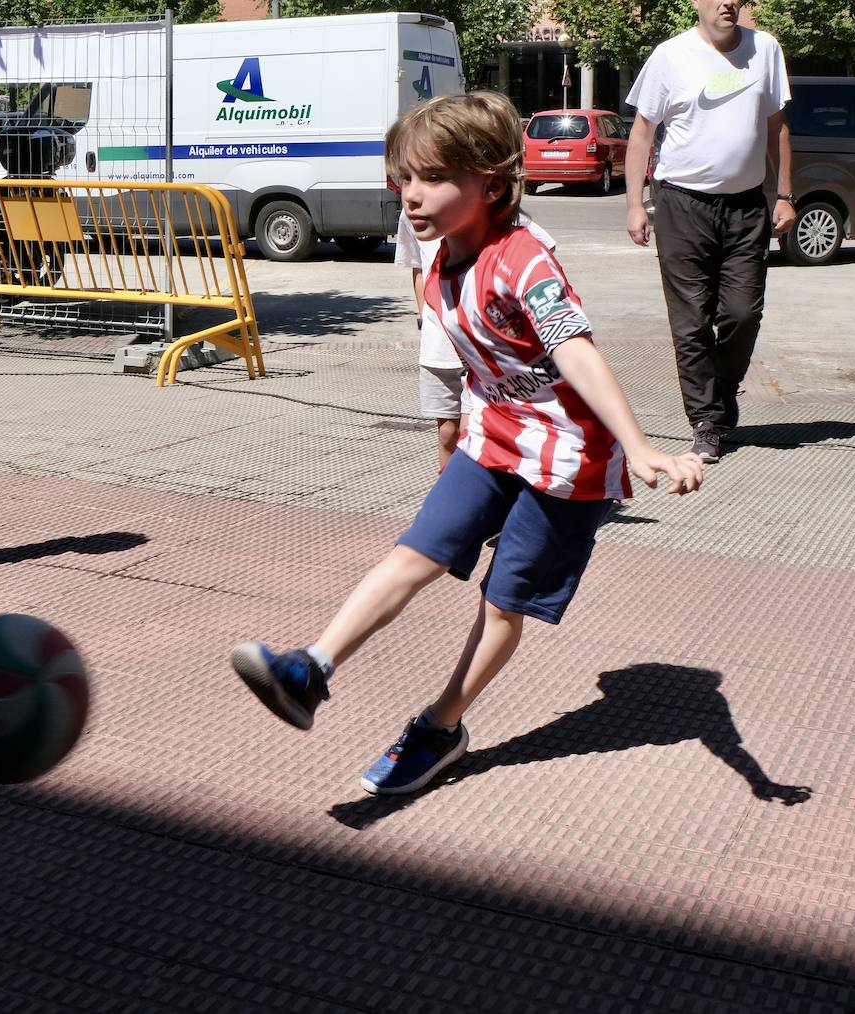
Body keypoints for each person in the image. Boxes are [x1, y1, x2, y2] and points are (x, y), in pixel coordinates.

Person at [231, 91, 704, 796]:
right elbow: (458, 349)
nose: (411, 196)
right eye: (404, 179)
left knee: (501, 602)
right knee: (412, 555)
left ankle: (440, 728)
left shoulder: (524, 260)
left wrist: (638, 445)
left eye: (430, 179)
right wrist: (448, 417)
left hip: (567, 463)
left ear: (488, 182)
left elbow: (573, 349)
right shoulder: (439, 256)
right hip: (492, 439)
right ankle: (310, 670)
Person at [624, 0, 795, 463]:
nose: (727, 3)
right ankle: (706, 421)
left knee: (742, 312)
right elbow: (643, 132)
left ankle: (720, 392)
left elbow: (777, 125)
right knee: (691, 323)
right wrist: (636, 204)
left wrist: (784, 194)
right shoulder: (670, 55)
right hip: (682, 205)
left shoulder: (765, 50)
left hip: (745, 207)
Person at [395, 208, 558, 471]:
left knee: (472, 430)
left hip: (481, 348)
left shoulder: (481, 207)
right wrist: (424, 317)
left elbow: (543, 248)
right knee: (447, 433)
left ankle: (482, 499)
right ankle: (452, 500)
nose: (414, 189)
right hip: (438, 346)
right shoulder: (412, 213)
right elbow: (418, 268)